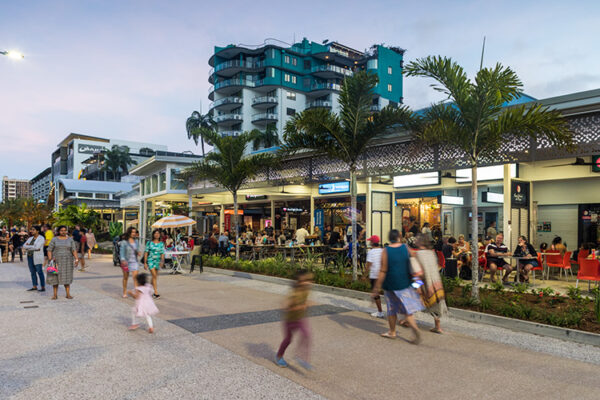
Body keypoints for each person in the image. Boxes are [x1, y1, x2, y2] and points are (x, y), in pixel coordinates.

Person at [372, 229, 423, 344]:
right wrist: (418, 283)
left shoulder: (386, 250)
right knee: (407, 310)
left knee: (391, 309)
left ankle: (392, 332)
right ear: (399, 237)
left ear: (390, 238)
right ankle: (414, 327)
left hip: (391, 284)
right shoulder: (406, 247)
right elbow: (414, 263)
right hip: (405, 283)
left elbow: (383, 270)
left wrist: (376, 287)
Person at [275, 270, 313, 369]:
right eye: (305, 280)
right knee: (288, 339)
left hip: (300, 318)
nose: (308, 283)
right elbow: (285, 306)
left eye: (310, 280)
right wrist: (300, 307)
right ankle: (279, 356)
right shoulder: (293, 294)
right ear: (298, 282)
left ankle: (301, 357)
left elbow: (305, 301)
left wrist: (306, 304)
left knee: (307, 335)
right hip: (290, 320)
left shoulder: (306, 290)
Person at [413, 234, 447, 333]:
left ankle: (407, 319)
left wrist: (416, 285)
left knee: (410, 296)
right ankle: (437, 326)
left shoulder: (419, 254)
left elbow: (418, 271)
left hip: (423, 282)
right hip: (435, 282)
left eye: (417, 239)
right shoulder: (431, 253)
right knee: (436, 304)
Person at [47, 225, 79, 300]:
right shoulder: (54, 239)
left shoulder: (70, 240)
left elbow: (74, 250)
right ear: (58, 231)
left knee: (67, 277)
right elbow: (49, 250)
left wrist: (76, 259)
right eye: (61, 230)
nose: (63, 232)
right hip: (56, 261)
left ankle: (68, 294)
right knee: (55, 277)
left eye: (65, 230)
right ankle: (55, 295)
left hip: (67, 261)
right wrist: (51, 259)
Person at [365, 235, 384, 318]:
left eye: (370, 241)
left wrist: (364, 274)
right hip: (383, 274)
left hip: (374, 275)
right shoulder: (383, 251)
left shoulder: (371, 252)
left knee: (376, 294)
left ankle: (380, 312)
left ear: (372, 242)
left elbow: (369, 264)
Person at [120, 227, 142, 298]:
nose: (134, 233)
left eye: (135, 232)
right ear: (129, 233)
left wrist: (138, 252)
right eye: (132, 232)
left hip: (134, 261)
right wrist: (123, 260)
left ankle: (136, 293)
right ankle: (124, 292)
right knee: (125, 277)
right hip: (126, 262)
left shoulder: (136, 241)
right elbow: (122, 252)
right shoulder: (124, 242)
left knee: (135, 278)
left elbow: (137, 249)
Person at [22, 226, 46, 292]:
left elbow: (37, 247)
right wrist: (32, 247)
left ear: (37, 231)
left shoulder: (41, 238)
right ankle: (34, 286)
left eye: (33, 230)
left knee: (39, 271)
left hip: (37, 256)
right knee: (32, 272)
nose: (31, 231)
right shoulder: (30, 238)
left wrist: (28, 247)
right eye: (31, 230)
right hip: (30, 256)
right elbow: (24, 246)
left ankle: (43, 286)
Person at [144, 229, 165, 299]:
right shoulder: (149, 243)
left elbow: (162, 253)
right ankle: (155, 293)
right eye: (155, 233)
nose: (157, 234)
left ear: (160, 235)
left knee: (154, 277)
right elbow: (146, 252)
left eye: (158, 233)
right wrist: (145, 262)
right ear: (153, 234)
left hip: (158, 261)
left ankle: (148, 290)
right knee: (154, 275)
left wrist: (162, 261)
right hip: (151, 261)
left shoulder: (161, 244)